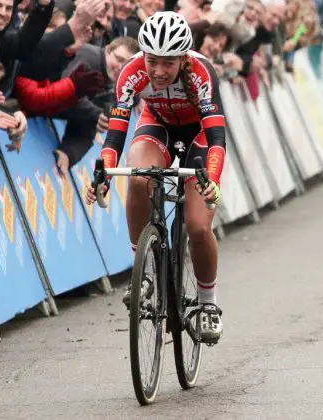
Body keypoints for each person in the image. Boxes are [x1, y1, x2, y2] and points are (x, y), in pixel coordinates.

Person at [84, 11, 227, 344]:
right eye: (153, 61)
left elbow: (216, 137)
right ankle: (144, 272)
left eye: (168, 63)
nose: (159, 71)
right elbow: (116, 133)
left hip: (199, 136)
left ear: (182, 59)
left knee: (198, 226)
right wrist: (104, 170)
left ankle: (208, 304)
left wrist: (213, 180)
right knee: (136, 177)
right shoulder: (131, 72)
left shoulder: (200, 73)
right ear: (143, 55)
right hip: (157, 125)